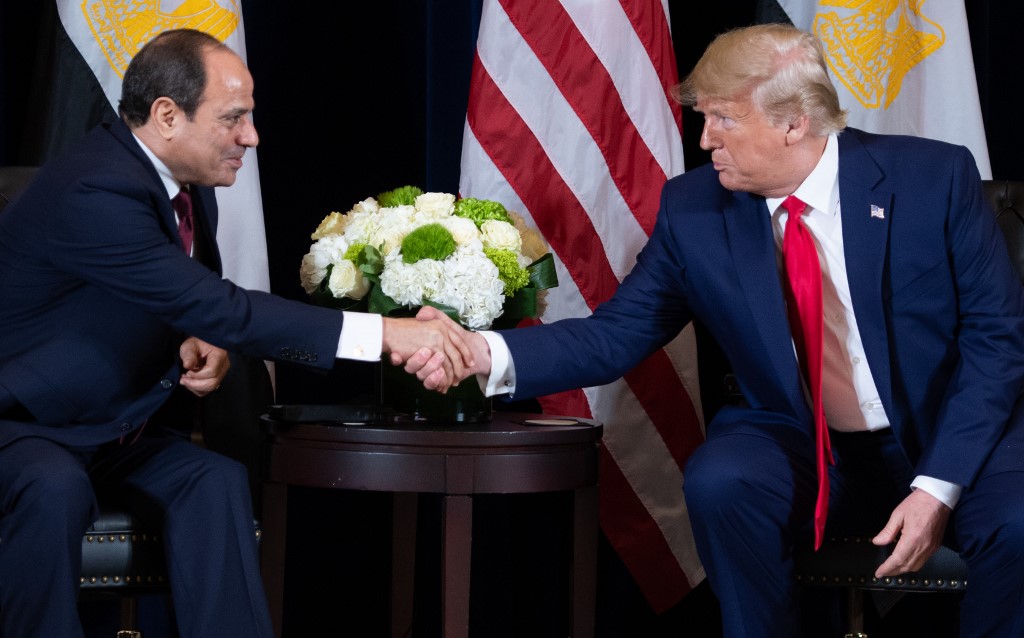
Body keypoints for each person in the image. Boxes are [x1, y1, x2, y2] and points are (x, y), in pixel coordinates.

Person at [408, 23, 1024, 637]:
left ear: (794, 122)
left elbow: (997, 342)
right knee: (721, 480)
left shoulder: (932, 178)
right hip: (807, 441)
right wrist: (479, 353)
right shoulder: (694, 209)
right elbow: (612, 336)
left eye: (723, 120)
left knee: (1017, 520)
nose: (705, 141)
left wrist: (935, 488)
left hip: (946, 426)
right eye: (703, 119)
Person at [0, 29, 471, 637]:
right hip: (26, 426)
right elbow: (220, 303)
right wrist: (387, 334)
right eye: (234, 118)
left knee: (215, 479)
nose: (251, 137)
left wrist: (203, 339)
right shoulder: (95, 187)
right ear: (168, 116)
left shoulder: (188, 187)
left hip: (117, 426)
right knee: (53, 489)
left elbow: (171, 298)